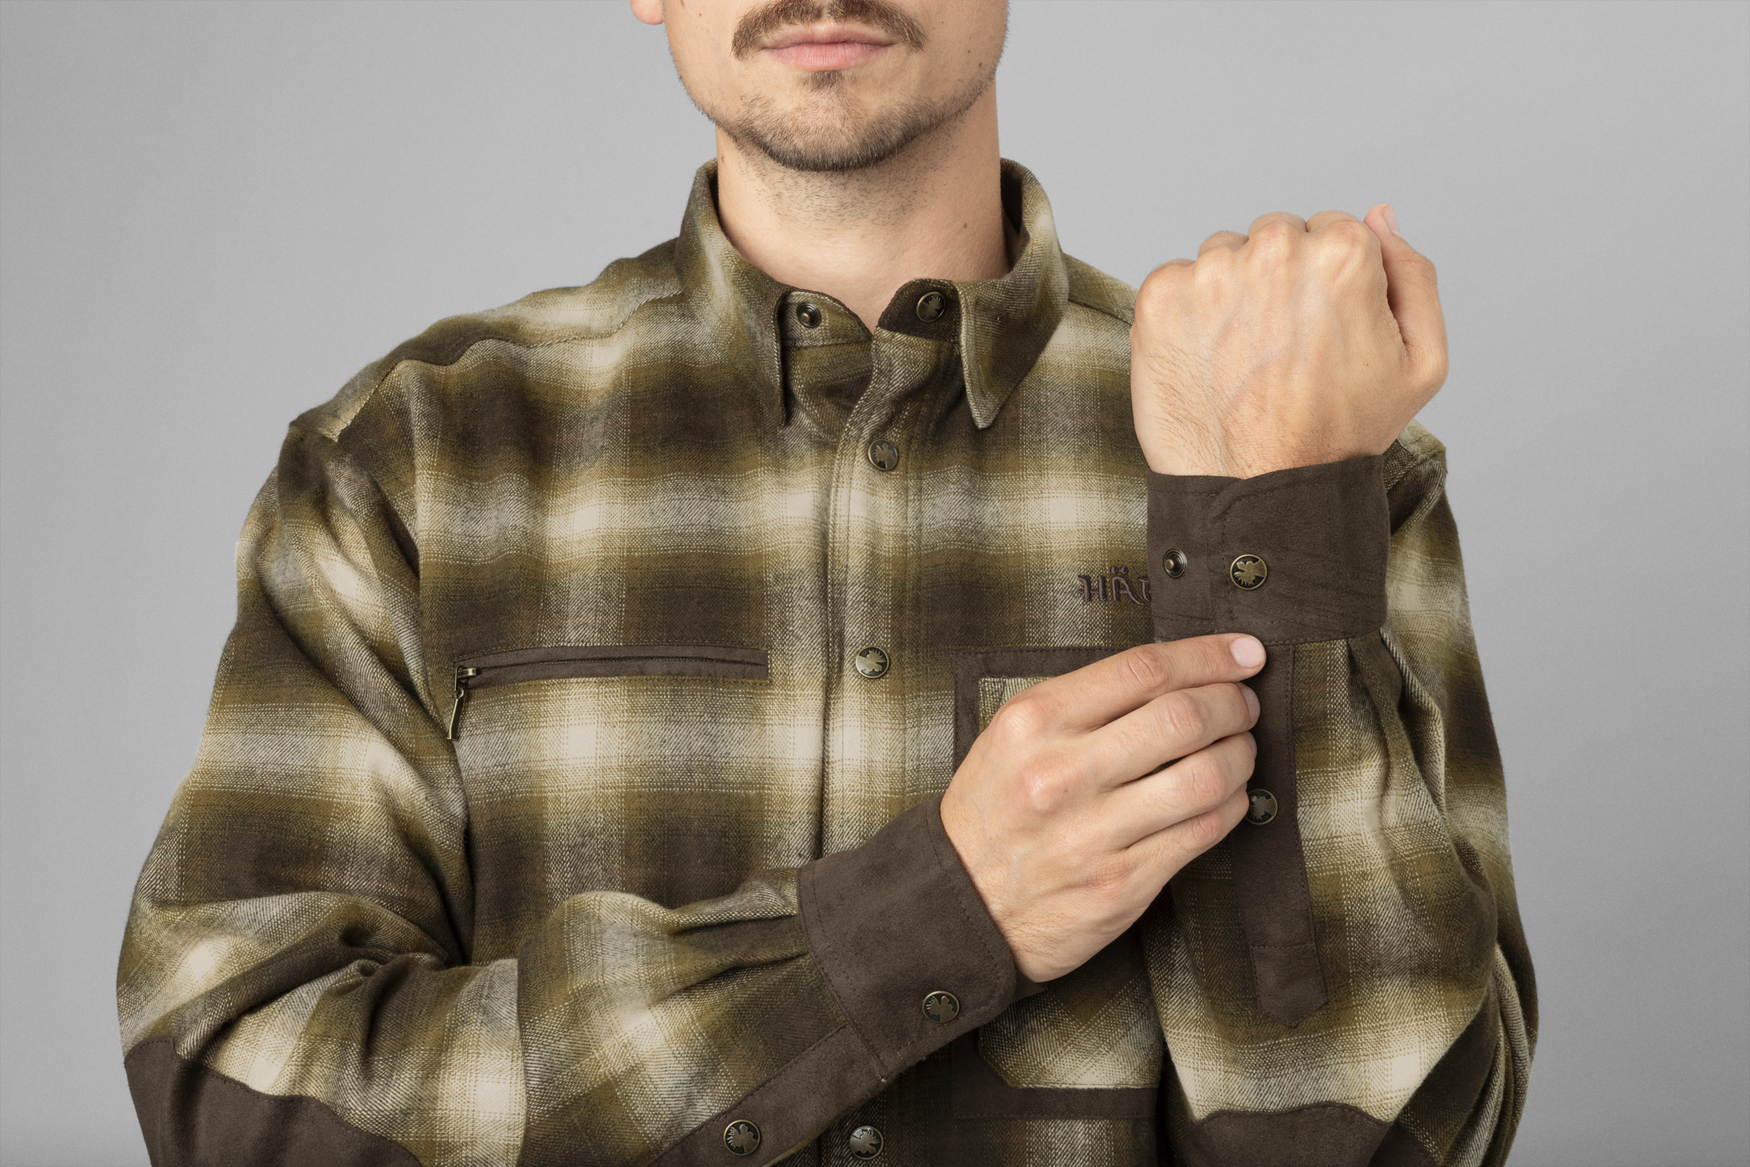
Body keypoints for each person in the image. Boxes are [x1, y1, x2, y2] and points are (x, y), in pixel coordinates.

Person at [117, 1, 1536, 1163]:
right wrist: (933, 915)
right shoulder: (415, 458)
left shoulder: (1304, 448)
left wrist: (1269, 519)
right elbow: (239, 1096)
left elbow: (1403, 1142)